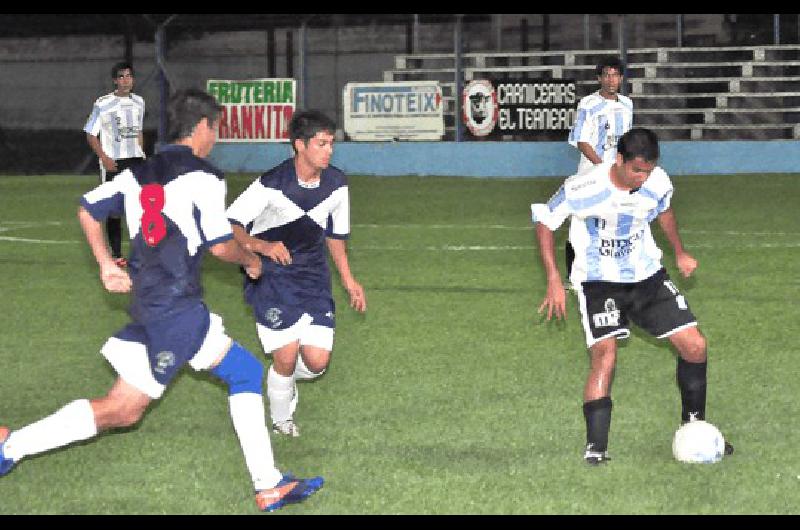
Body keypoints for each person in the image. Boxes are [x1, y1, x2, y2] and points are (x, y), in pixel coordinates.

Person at [1, 88, 323, 512]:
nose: (216, 138)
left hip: (152, 302)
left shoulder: (139, 173)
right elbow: (221, 245)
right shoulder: (204, 176)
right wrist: (251, 260)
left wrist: (105, 265)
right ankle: (268, 484)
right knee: (155, 399)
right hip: (175, 308)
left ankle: (11, 447)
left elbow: (87, 209)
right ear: (204, 127)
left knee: (146, 402)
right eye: (217, 128)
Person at [531, 127, 733, 464]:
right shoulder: (585, 187)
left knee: (695, 346)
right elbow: (544, 221)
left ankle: (694, 425)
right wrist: (554, 278)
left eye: (648, 171)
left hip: (647, 276)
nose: (642, 177)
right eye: (636, 170)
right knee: (605, 355)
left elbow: (664, 212)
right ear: (619, 159)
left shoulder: (657, 182)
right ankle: (596, 449)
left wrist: (680, 252)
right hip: (598, 282)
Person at [226, 110, 366, 438]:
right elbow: (231, 224)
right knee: (286, 356)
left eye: (331, 143)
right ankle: (281, 419)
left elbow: (335, 236)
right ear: (298, 146)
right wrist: (261, 246)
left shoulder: (337, 184)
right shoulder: (271, 184)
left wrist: (348, 279)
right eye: (321, 144)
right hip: (271, 274)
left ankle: (283, 381)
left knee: (317, 362)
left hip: (312, 274)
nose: (328, 150)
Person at [564, 56, 633, 288]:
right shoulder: (588, 104)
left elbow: (626, 141)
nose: (611, 79)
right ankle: (573, 277)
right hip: (591, 173)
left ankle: (615, 273)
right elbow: (581, 140)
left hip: (618, 175)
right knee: (581, 221)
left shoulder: (627, 105)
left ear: (621, 78)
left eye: (615, 75)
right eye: (606, 75)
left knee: (617, 221)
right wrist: (602, 165)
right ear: (599, 78)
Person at [83, 61, 146, 268]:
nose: (126, 80)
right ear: (115, 80)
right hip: (114, 162)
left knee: (142, 207)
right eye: (121, 76)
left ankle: (143, 252)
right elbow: (91, 133)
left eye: (129, 76)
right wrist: (104, 157)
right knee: (114, 209)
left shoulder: (139, 102)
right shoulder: (103, 103)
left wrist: (142, 154)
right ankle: (117, 254)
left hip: (136, 160)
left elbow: (139, 131)